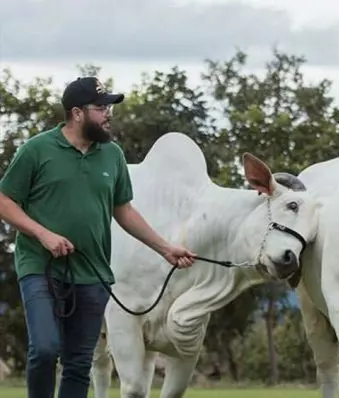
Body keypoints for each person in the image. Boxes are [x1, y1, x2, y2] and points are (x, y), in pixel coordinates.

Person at [0, 76, 197, 398]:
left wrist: (165, 249)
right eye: (101, 107)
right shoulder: (37, 150)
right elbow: (4, 201)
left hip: (92, 272)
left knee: (79, 363)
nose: (108, 114)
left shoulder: (112, 155)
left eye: (110, 108)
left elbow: (124, 210)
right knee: (46, 349)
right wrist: (43, 234)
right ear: (77, 113)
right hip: (40, 266)